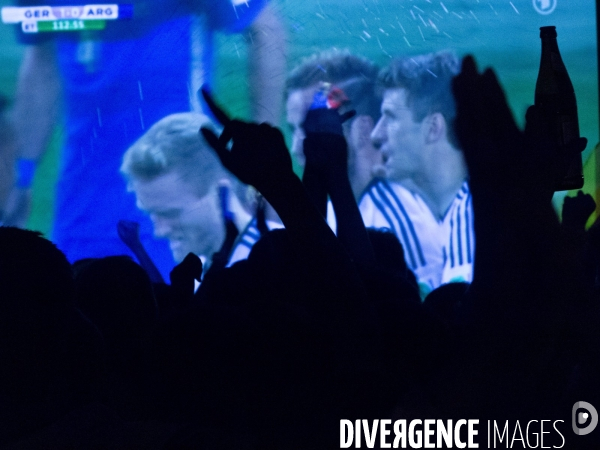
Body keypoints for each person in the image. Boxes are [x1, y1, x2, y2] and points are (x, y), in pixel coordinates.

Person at [5, 0, 286, 278]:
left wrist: (266, 167)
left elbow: (264, 28)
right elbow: (42, 60)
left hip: (179, 202)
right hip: (81, 206)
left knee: (181, 314)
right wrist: (22, 177)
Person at [359, 51, 474, 296]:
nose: (376, 135)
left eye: (390, 118)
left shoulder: (483, 213)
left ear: (433, 128)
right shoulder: (380, 210)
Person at [120, 111, 274, 271]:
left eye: (170, 213)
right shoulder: (199, 274)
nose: (159, 232)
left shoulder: (282, 265)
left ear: (221, 192)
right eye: (150, 214)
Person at [285, 49, 385, 205]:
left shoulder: (400, 221)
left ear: (363, 131)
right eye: (293, 130)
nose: (295, 148)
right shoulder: (331, 216)